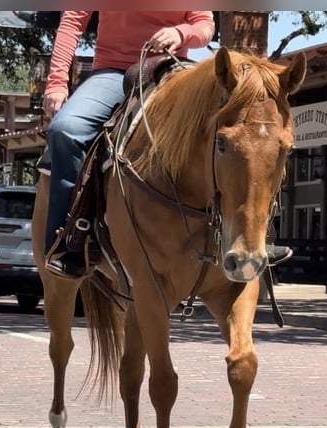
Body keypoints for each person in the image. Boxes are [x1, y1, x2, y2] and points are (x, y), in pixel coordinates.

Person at [41, 11, 217, 278]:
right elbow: (72, 21)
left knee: (230, 126)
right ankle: (72, 241)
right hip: (114, 72)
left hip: (175, 68)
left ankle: (243, 237)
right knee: (66, 130)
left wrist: (181, 33)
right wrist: (56, 84)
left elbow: (205, 25)